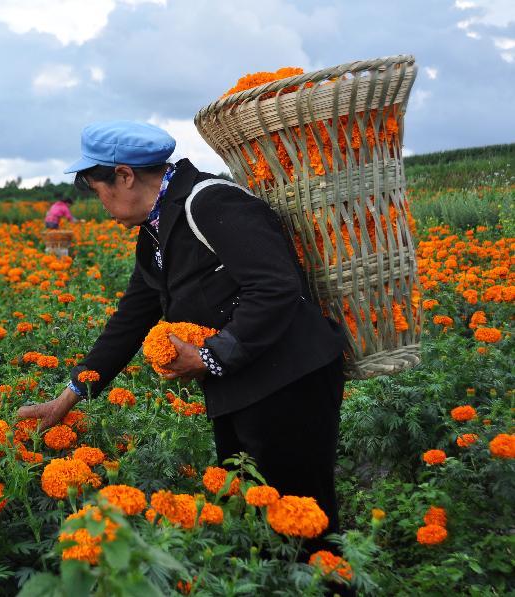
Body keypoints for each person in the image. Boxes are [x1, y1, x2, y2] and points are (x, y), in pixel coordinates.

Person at [17, 121, 348, 544]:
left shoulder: (211, 204)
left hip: (290, 386)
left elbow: (275, 286)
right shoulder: (154, 234)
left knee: (302, 526)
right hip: (243, 387)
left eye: (98, 191)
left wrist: (210, 354)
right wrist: (67, 398)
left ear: (124, 176)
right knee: (254, 523)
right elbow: (130, 321)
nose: (100, 204)